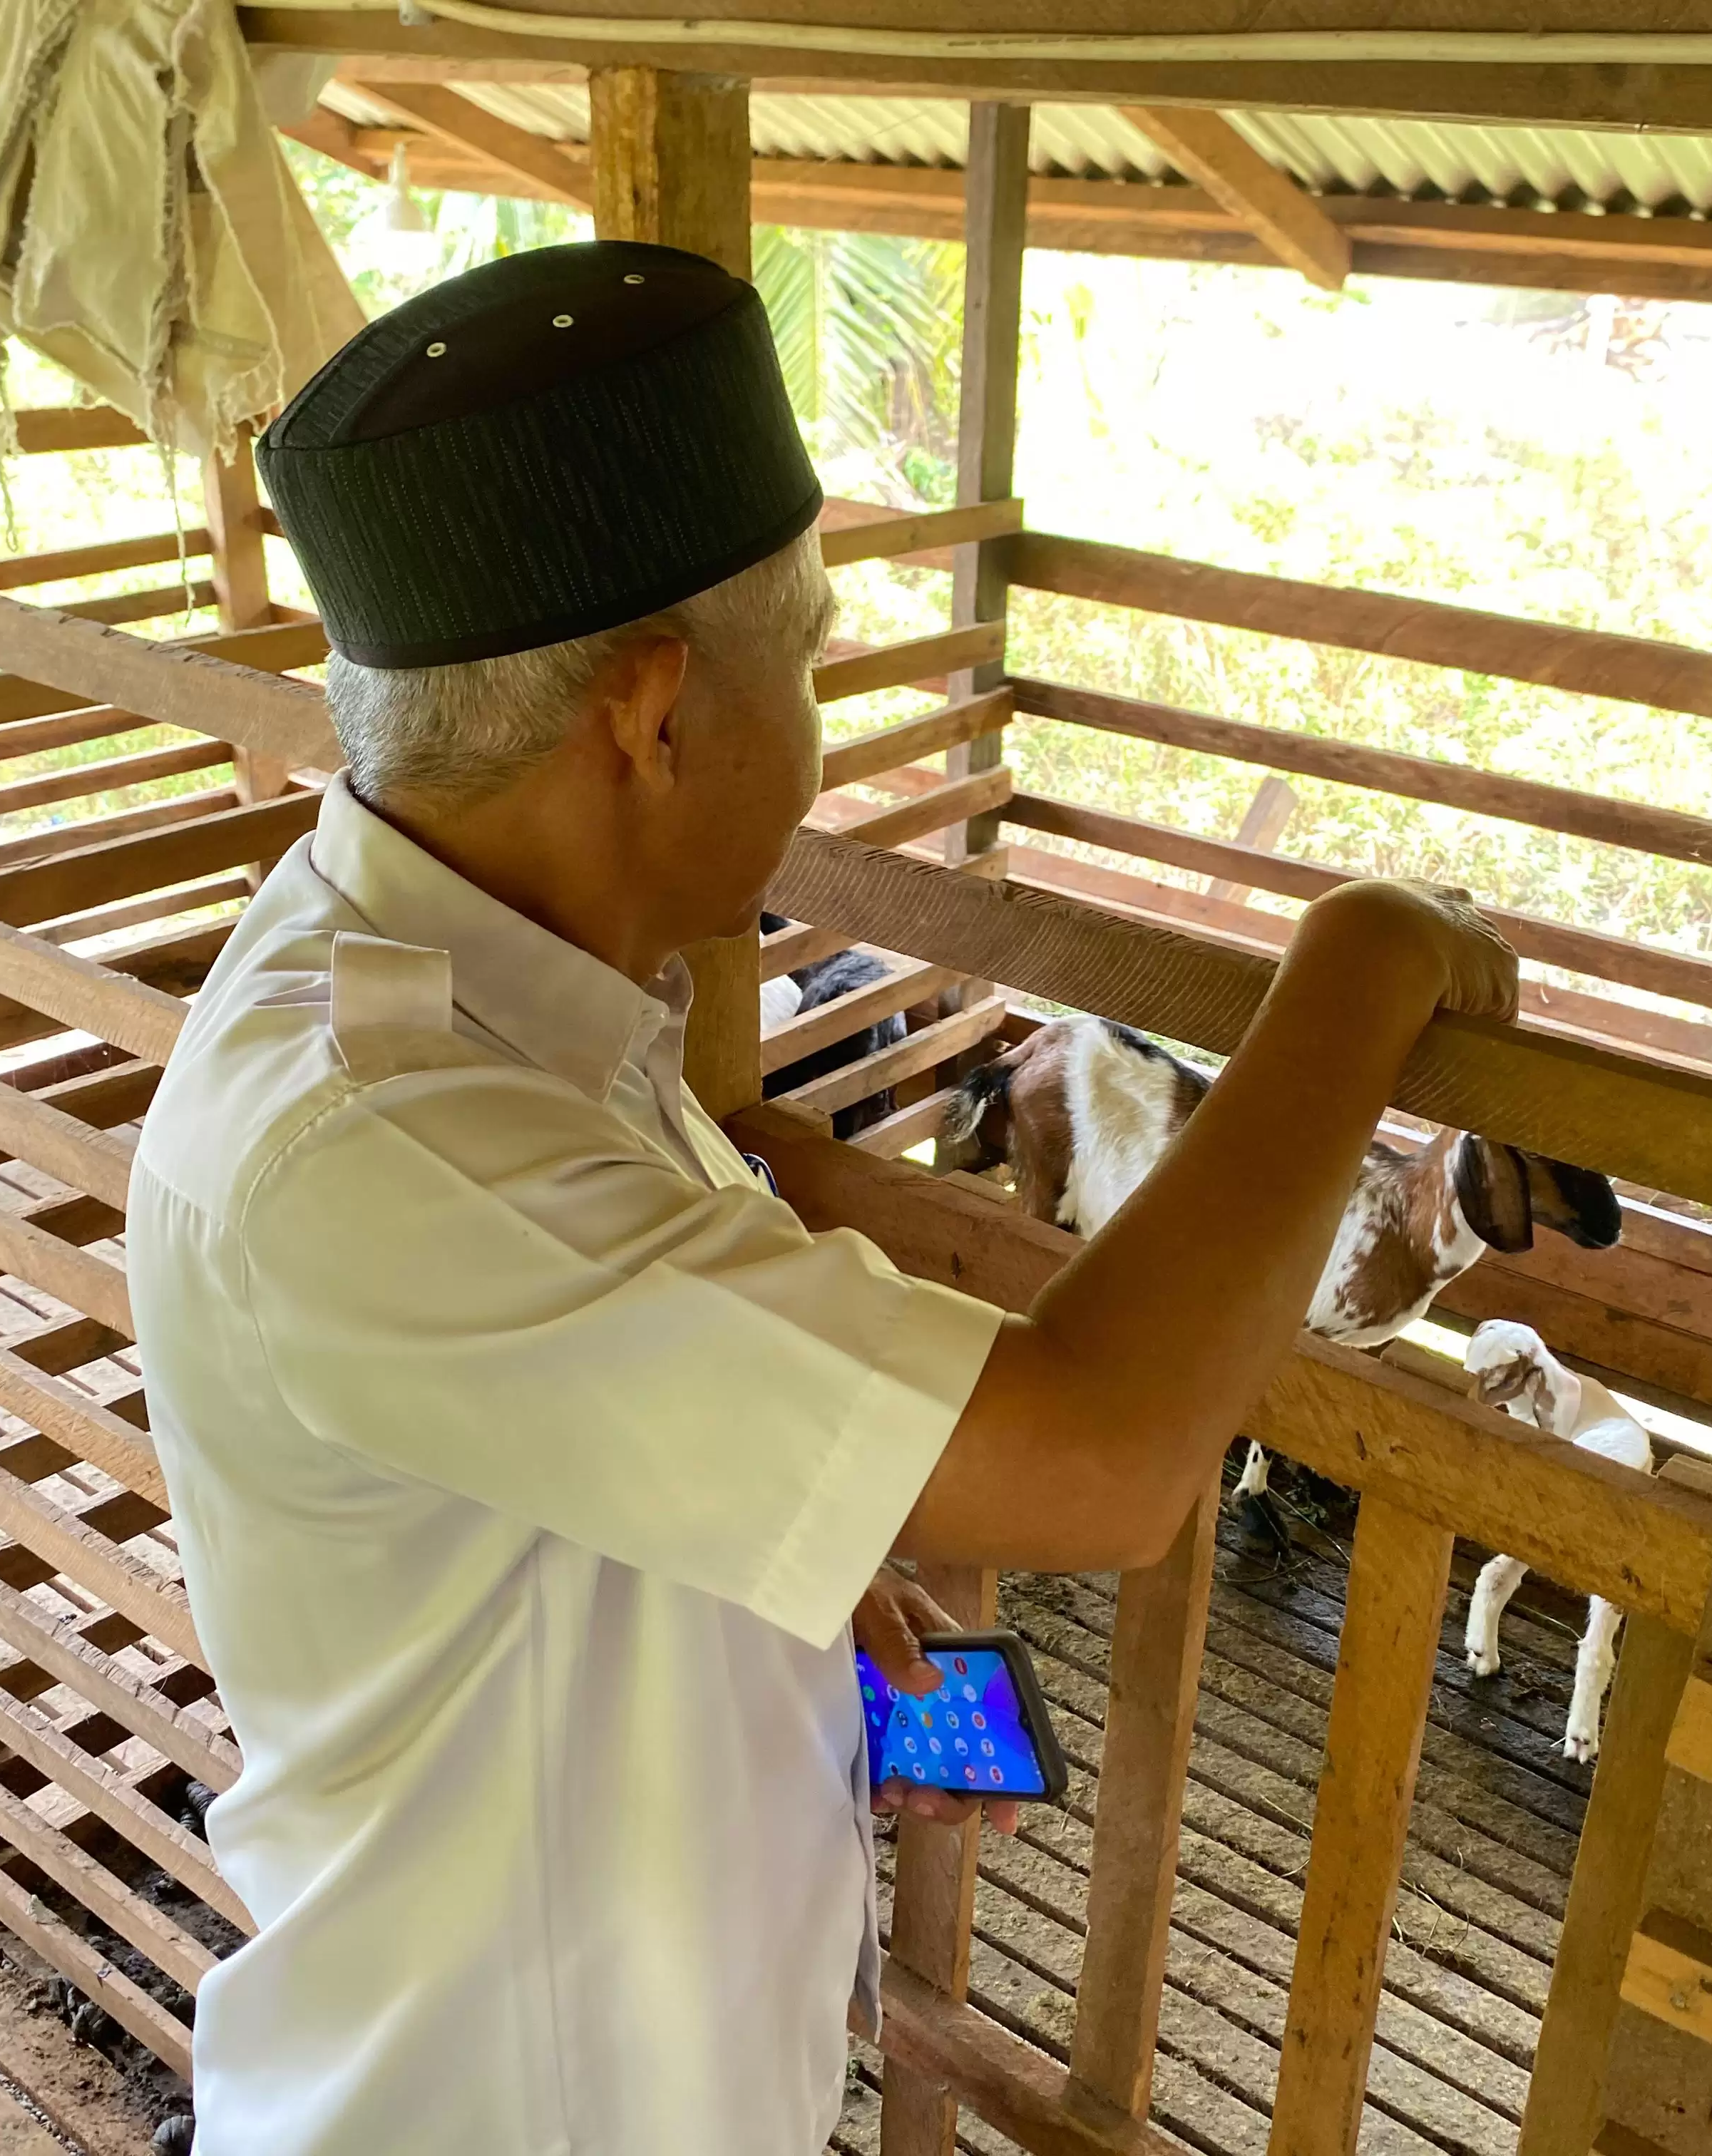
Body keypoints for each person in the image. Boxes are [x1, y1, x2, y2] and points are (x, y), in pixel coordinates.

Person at [128, 240, 1518, 2156]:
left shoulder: (492, 1003)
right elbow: (1109, 1458)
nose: (820, 723)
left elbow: (544, 1431)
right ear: (655, 715)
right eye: (809, 660)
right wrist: (1367, 960)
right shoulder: (394, 1138)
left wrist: (780, 1584)